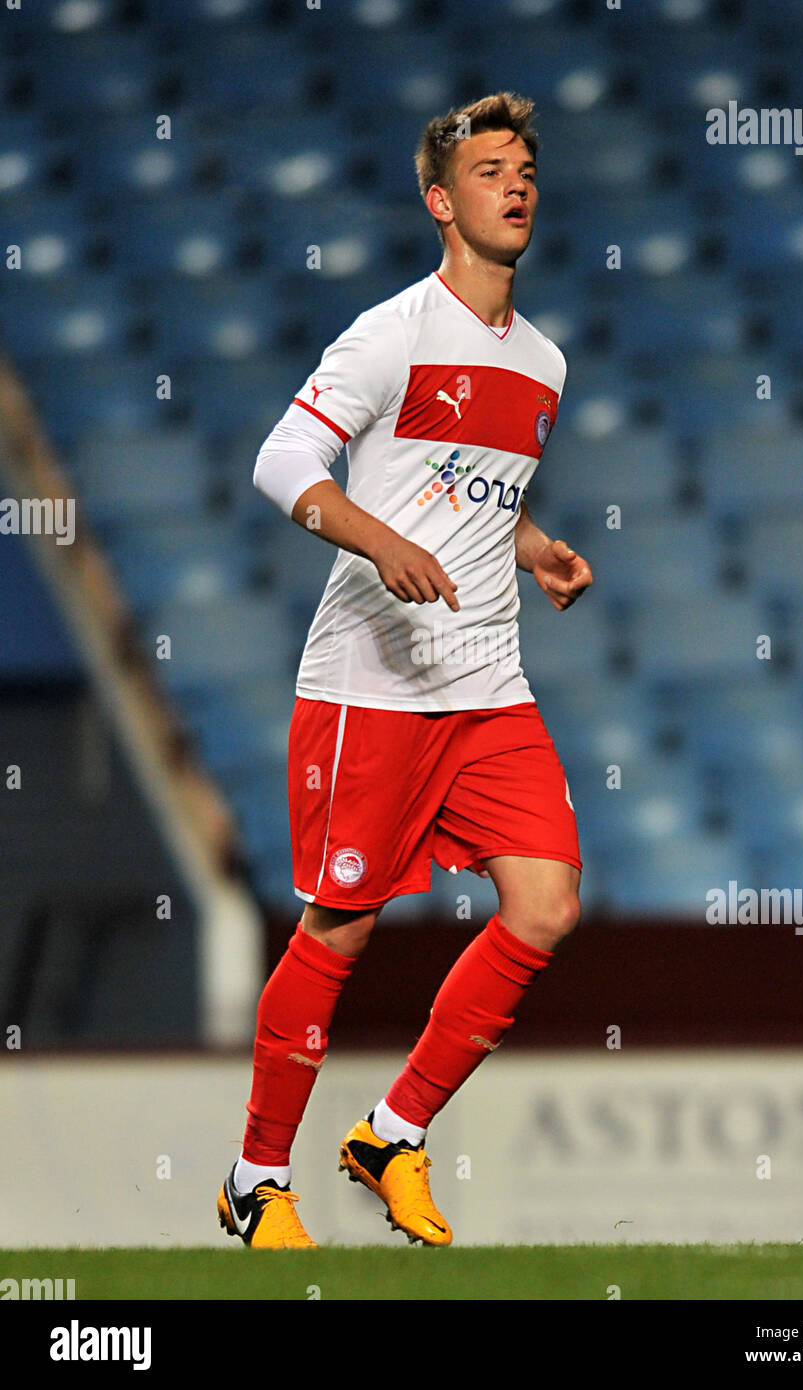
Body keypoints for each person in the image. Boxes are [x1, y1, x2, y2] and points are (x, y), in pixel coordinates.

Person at [218, 91, 593, 1250]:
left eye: (524, 169)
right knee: (339, 929)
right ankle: (253, 1181)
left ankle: (392, 1133)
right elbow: (283, 464)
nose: (515, 186)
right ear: (441, 202)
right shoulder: (391, 331)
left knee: (546, 900)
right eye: (489, 172)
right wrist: (381, 542)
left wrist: (530, 546)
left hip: (487, 684)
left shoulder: (543, 360)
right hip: (368, 684)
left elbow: (470, 482)